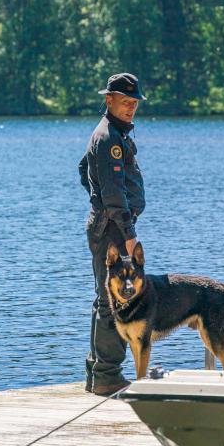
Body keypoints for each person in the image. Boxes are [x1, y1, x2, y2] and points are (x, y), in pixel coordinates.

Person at [79, 73, 146, 396]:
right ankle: (107, 376)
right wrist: (129, 236)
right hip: (114, 231)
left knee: (106, 299)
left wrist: (97, 201)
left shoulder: (110, 133)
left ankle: (99, 374)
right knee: (114, 302)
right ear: (109, 101)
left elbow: (83, 169)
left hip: (108, 225)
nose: (131, 108)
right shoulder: (108, 138)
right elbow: (115, 194)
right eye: (125, 102)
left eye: (135, 103)